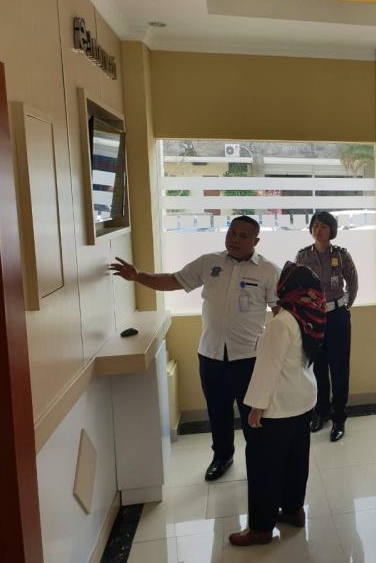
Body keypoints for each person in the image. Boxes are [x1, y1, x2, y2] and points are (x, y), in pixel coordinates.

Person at [110, 216, 280, 482]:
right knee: (218, 411)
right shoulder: (209, 262)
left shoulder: (268, 270)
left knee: (254, 414)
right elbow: (173, 280)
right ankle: (222, 457)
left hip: (249, 357)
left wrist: (283, 350)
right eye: (232, 233)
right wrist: (137, 276)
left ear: (256, 241)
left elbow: (280, 312)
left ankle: (259, 461)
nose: (235, 239)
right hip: (211, 355)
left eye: (243, 235)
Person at [228, 263, 325, 546]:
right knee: (296, 459)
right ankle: (294, 510)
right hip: (302, 399)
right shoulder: (311, 313)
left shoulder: (282, 322)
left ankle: (260, 528)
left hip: (278, 406)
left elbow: (268, 367)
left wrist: (257, 406)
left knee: (264, 467)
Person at [295, 211, 358, 442]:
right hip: (313, 318)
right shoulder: (303, 256)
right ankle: (320, 411)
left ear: (331, 230)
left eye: (323, 226)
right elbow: (297, 285)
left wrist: (346, 305)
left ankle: (339, 417)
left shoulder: (341, 255)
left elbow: (352, 281)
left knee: (339, 368)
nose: (318, 230)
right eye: (315, 225)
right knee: (318, 367)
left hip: (337, 317)